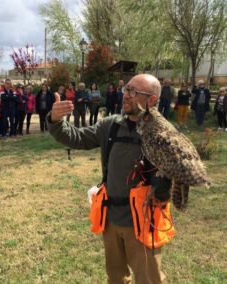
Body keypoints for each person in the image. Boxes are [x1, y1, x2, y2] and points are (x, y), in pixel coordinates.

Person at [48, 74, 174, 283]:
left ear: (152, 100)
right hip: (111, 218)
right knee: (116, 277)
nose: (126, 95)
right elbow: (77, 137)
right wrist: (55, 120)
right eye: (127, 90)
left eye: (134, 92)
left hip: (143, 220)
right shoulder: (111, 125)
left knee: (149, 279)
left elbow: (172, 176)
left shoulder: (163, 133)